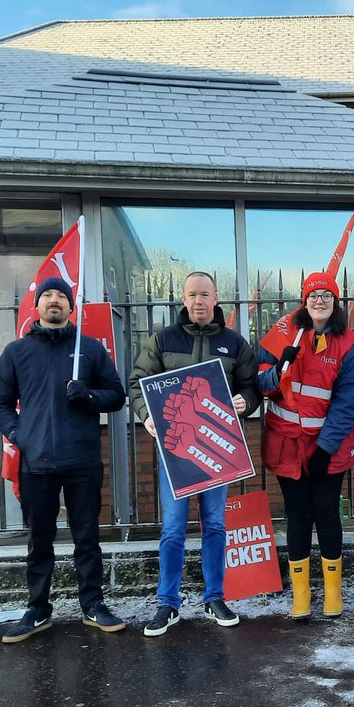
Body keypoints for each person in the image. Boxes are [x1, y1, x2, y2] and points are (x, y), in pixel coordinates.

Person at [0, 277, 128, 643]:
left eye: (61, 296)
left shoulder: (90, 350)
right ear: (37, 305)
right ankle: (37, 609)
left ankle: (93, 604)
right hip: (36, 460)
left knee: (87, 537)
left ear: (71, 306)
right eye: (47, 295)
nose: (55, 301)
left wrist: (89, 397)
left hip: (82, 459)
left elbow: (116, 395)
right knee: (40, 538)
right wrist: (19, 435)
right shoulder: (16, 352)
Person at [127, 270, 261, 636]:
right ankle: (167, 604)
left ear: (216, 298)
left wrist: (245, 402)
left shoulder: (235, 343)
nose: (198, 301)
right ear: (183, 299)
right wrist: (146, 415)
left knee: (215, 525)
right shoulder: (162, 339)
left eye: (205, 294)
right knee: (172, 529)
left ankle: (214, 596)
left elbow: (252, 386)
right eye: (192, 295)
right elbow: (138, 381)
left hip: (216, 451)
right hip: (177, 454)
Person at [257, 272, 354, 620]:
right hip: (287, 443)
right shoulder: (283, 331)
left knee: (327, 514)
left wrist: (325, 448)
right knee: (298, 516)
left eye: (327, 296)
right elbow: (258, 382)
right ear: (304, 301)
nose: (320, 301)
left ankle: (333, 593)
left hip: (326, 448)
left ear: (336, 303)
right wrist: (278, 370)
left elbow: (348, 401)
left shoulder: (348, 342)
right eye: (314, 295)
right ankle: (301, 595)